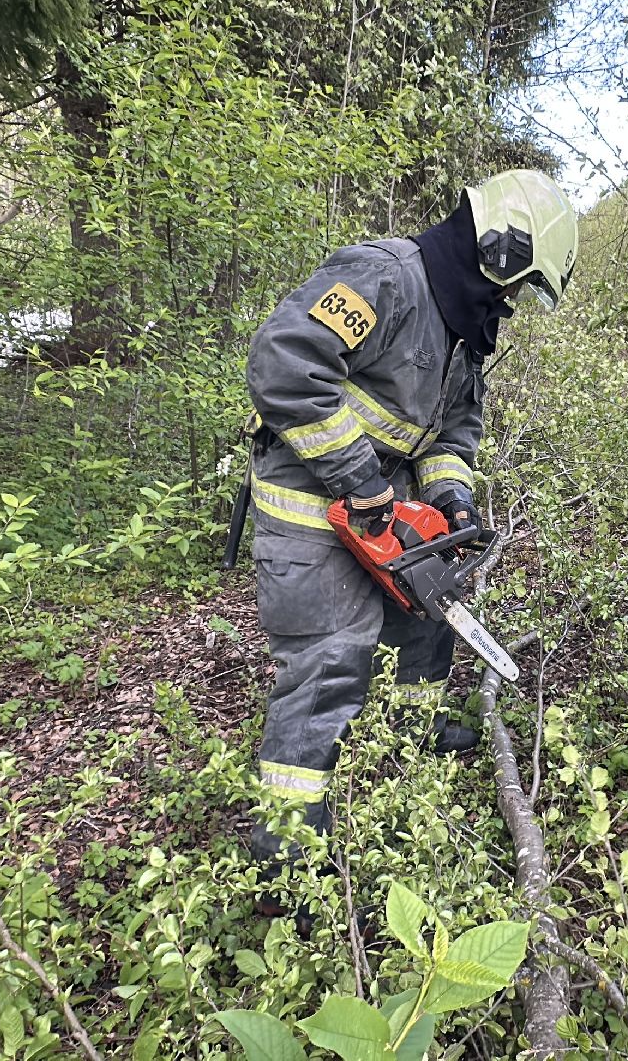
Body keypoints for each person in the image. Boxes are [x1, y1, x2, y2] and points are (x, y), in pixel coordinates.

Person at [241, 169, 578, 884]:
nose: (513, 303)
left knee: (430, 612)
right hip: (307, 506)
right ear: (503, 251)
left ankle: (412, 738)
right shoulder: (386, 279)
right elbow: (283, 364)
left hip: (380, 505)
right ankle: (285, 863)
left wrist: (453, 502)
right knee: (329, 665)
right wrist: (361, 481)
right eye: (520, 285)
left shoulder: (465, 329)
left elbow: (453, 436)